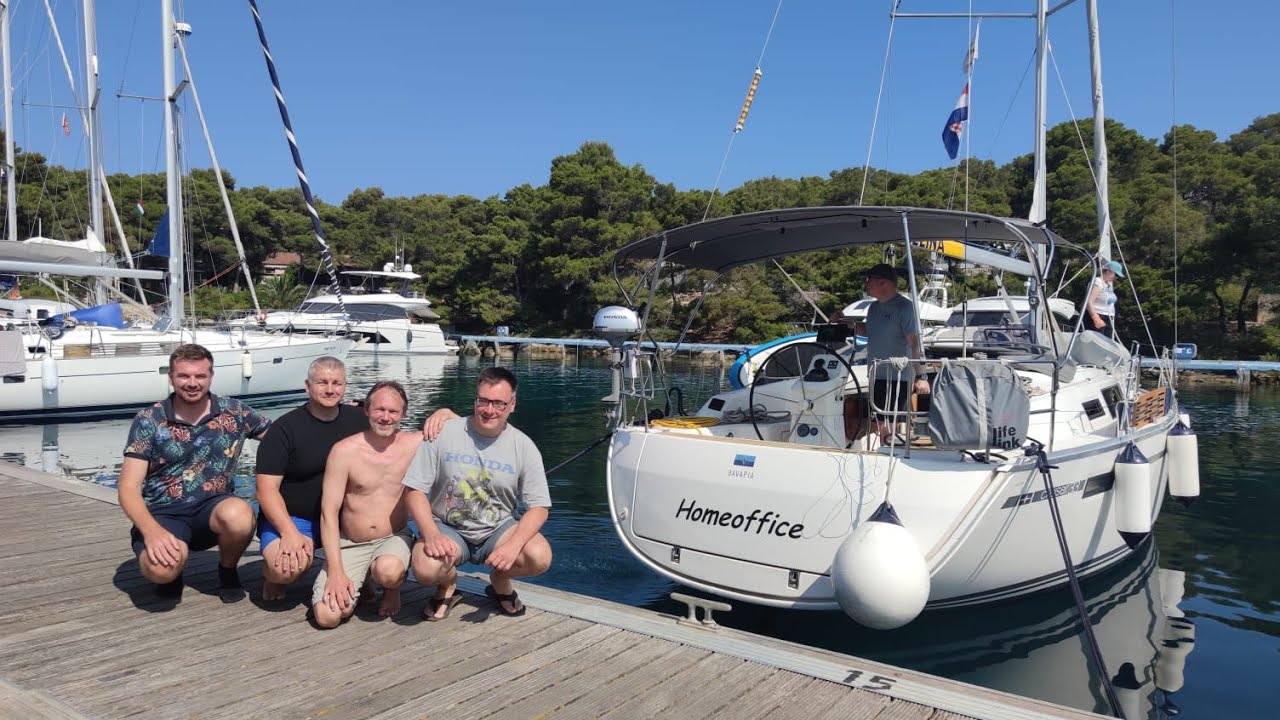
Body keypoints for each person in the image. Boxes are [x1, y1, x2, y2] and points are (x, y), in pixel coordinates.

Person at [119, 344, 270, 602]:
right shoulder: (149, 419)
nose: (192, 383)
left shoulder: (234, 412)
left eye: (200, 376)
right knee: (161, 570)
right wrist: (151, 532)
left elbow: (286, 438)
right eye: (183, 376)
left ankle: (227, 569)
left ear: (210, 376)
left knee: (241, 516)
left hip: (212, 510)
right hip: (164, 512)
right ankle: (173, 571)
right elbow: (128, 487)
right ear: (170, 378)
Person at [404, 366, 552, 620]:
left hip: (498, 529)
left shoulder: (524, 446)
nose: (489, 410)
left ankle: (500, 580)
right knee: (423, 567)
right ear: (475, 400)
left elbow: (538, 507)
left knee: (539, 556)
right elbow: (414, 490)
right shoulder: (443, 433)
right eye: (483, 401)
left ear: (512, 405)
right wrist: (430, 534)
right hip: (448, 525)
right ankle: (447, 583)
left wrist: (513, 546)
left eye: (498, 403)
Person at [254, 356, 369, 601]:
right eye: (322, 382)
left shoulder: (360, 420)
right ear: (307, 386)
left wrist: (443, 415)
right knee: (286, 569)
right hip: (296, 518)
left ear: (345, 386)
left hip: (343, 519)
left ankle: (365, 575)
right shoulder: (284, 429)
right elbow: (265, 490)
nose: (330, 389)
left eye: (336, 383)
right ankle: (271, 575)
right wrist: (289, 532)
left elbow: (398, 438)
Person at [312, 380, 421, 628]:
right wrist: (336, 571)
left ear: (403, 414)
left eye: (393, 412)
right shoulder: (344, 451)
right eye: (379, 410)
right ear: (366, 411)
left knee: (388, 571)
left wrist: (444, 413)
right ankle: (361, 582)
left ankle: (392, 589)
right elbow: (328, 514)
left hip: (393, 536)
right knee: (327, 618)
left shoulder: (414, 444)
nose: (385, 417)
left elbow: (461, 429)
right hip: (351, 542)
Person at [861, 264, 931, 444]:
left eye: (868, 279)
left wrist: (921, 376)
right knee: (881, 422)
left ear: (883, 283)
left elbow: (915, 343)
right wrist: (845, 323)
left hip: (897, 376)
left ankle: (891, 452)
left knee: (889, 423)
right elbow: (871, 331)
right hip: (876, 374)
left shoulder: (905, 308)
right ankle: (886, 448)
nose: (866, 284)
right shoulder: (873, 308)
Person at [1086, 259, 1124, 340]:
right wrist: (1096, 319)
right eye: (1116, 275)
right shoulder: (1097, 282)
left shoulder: (1108, 285)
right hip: (1099, 316)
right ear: (1109, 271)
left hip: (1109, 318)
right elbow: (1089, 302)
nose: (1116, 278)